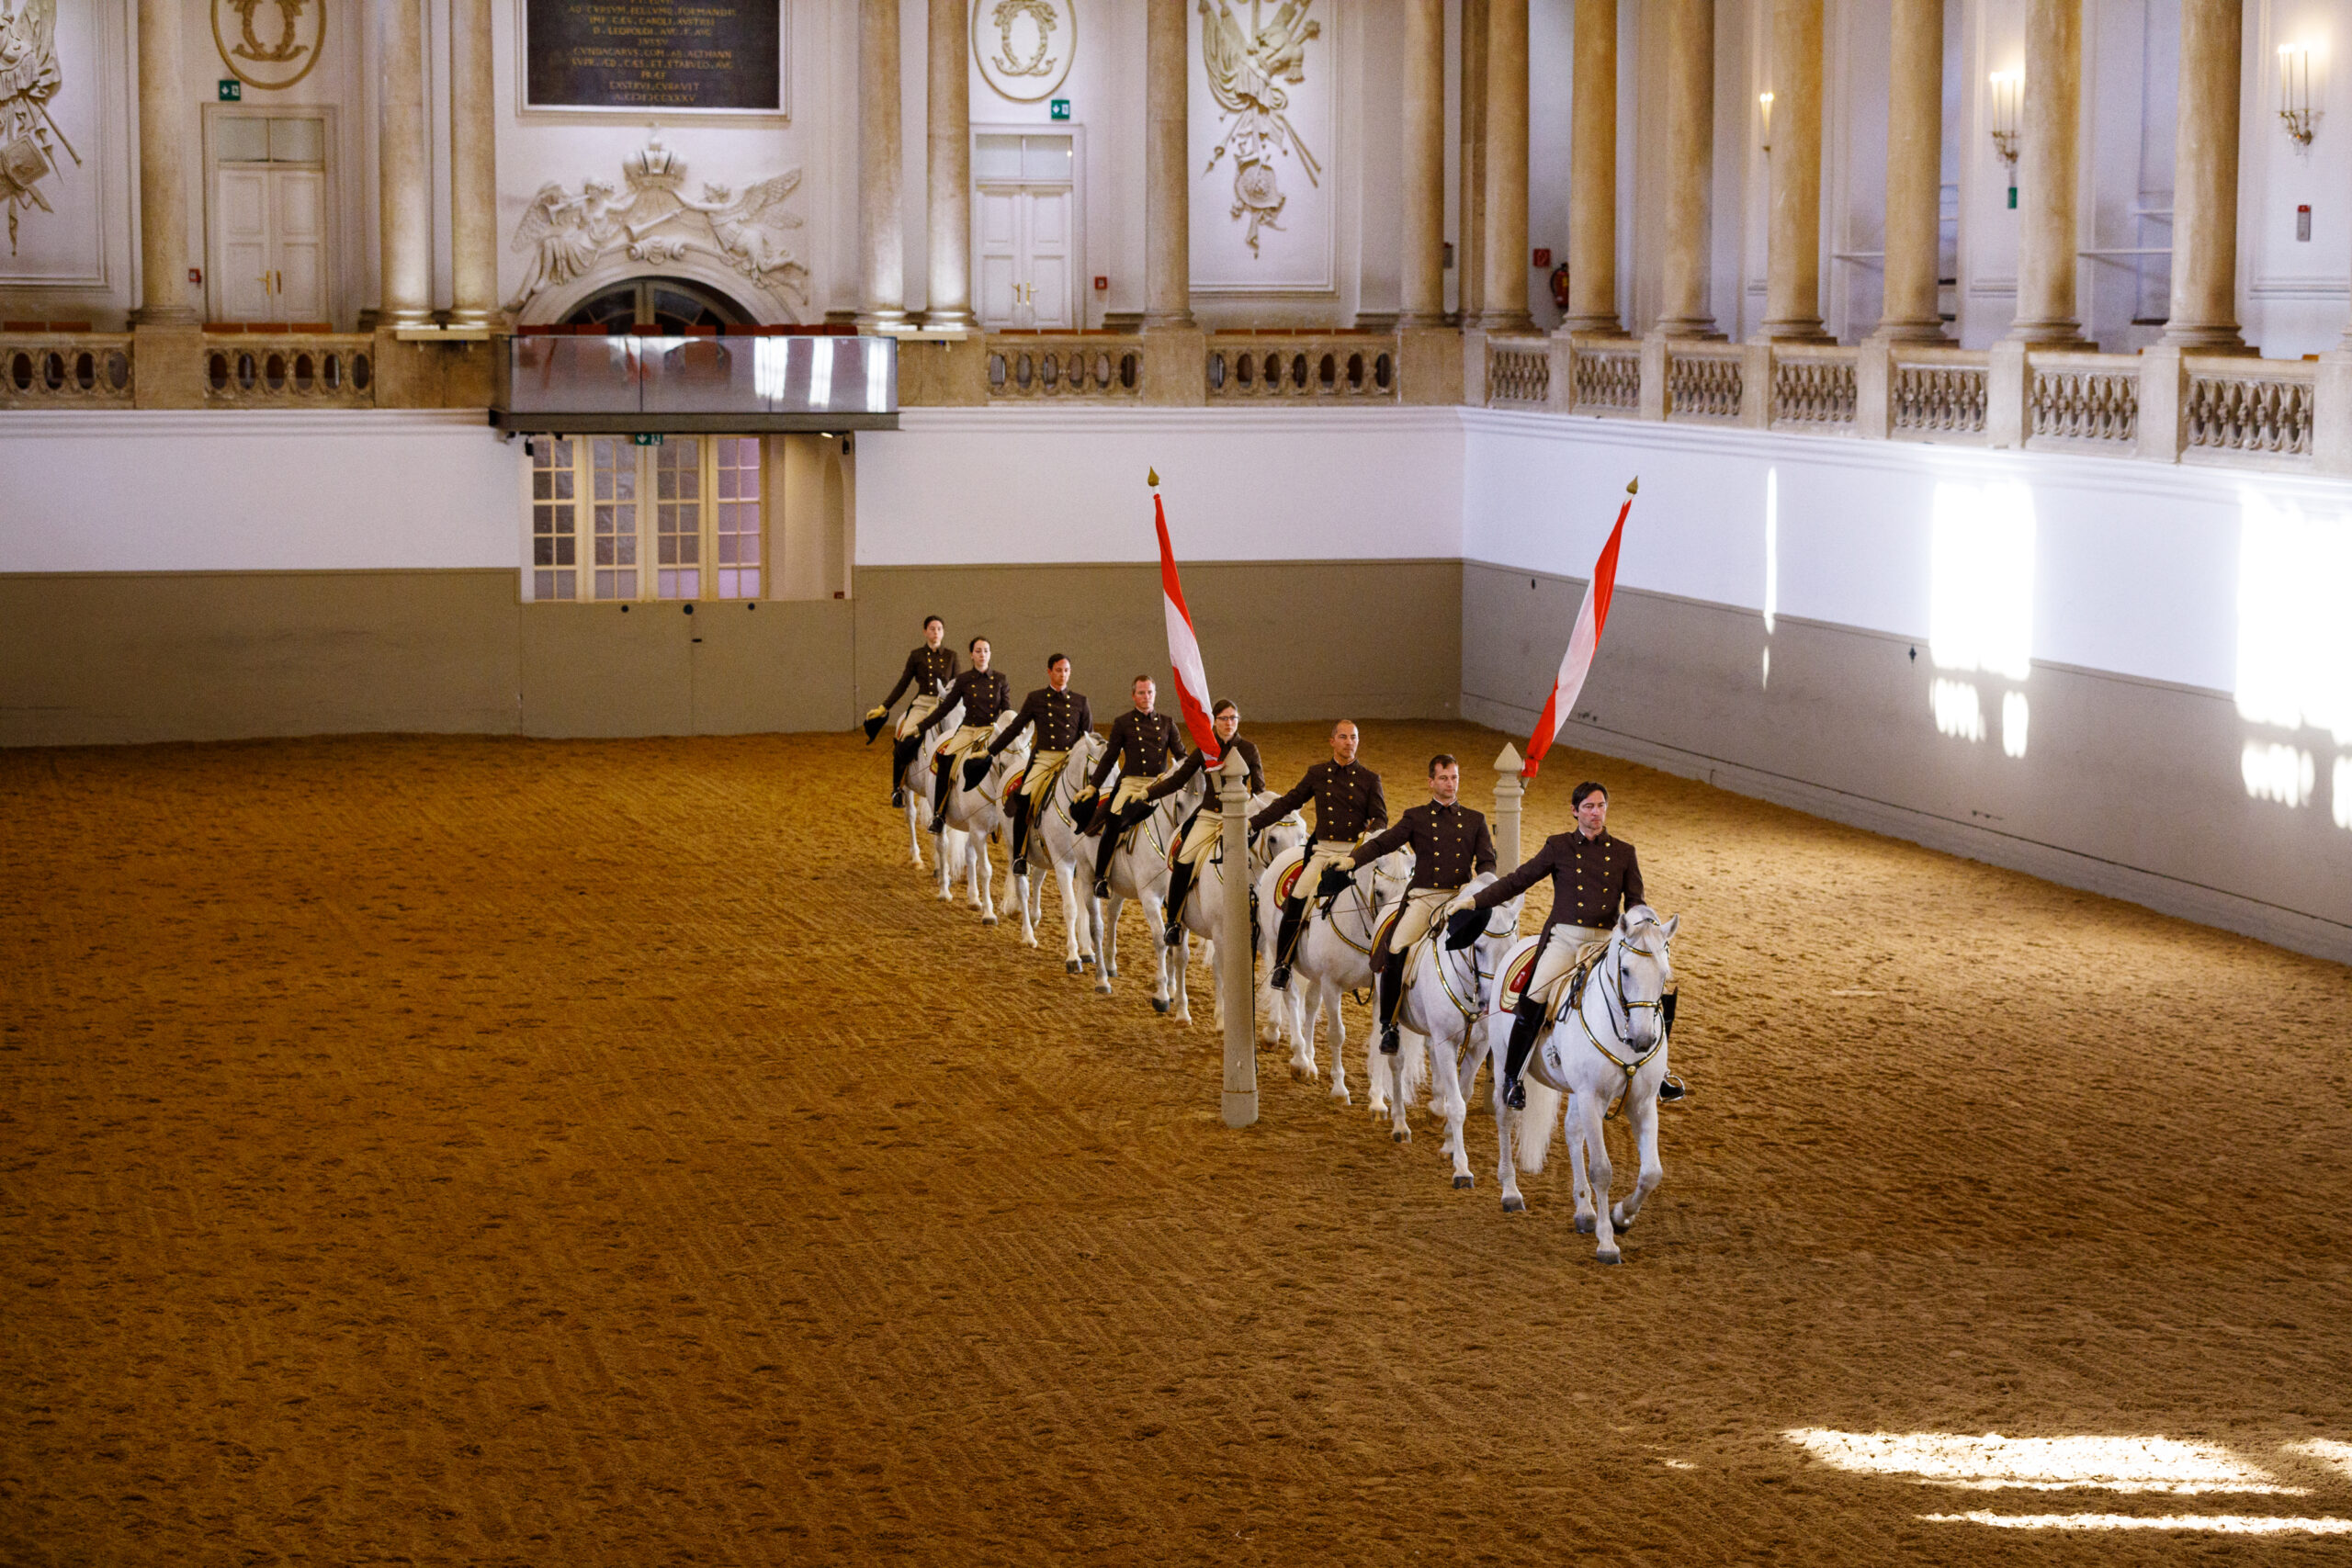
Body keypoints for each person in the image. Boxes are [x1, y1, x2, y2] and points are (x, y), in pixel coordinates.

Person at [1449, 780, 1645, 1109]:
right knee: (1535, 996)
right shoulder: (1558, 847)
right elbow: (1517, 881)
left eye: (1601, 806)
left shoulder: (1625, 853)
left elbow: (1636, 902)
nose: (1596, 813)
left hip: (1605, 943)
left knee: (1649, 990)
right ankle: (1513, 1079)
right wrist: (1475, 903)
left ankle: (1659, 1072)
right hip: (1565, 940)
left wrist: (1642, 926)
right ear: (1575, 811)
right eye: (1589, 807)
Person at [1322, 754, 1495, 1055]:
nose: (1450, 784)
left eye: (1454, 777)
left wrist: (1480, 883)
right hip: (1424, 899)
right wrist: (1353, 859)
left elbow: (1488, 860)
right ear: (1431, 782)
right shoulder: (1416, 817)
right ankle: (1389, 1024)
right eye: (1444, 778)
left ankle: (1490, 1016)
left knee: (1491, 945)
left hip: (1459, 899)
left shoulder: (1475, 819)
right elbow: (1383, 843)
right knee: (1396, 947)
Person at [1250, 720, 1387, 990]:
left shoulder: (1370, 779)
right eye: (1344, 737)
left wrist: (1368, 839)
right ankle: (1284, 963)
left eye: (1354, 737)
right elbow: (1288, 802)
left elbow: (1381, 818)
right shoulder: (1317, 774)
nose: (1349, 742)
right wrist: (1254, 822)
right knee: (1298, 897)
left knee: (1385, 897)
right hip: (1323, 852)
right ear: (1332, 741)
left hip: (1356, 855)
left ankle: (1388, 961)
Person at [1148, 699, 1263, 943]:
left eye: (1233, 718)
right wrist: (1148, 793)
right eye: (1224, 719)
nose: (1229, 723)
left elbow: (1259, 791)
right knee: (1184, 859)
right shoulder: (1204, 749)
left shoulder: (1249, 749)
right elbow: (1178, 780)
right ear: (1215, 721)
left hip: (1240, 818)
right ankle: (1174, 921)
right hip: (1210, 817)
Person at [1072, 676, 1188, 899]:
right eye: (1142, 693)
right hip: (1131, 783)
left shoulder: (1167, 722)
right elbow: (1109, 757)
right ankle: (1101, 877)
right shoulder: (1123, 723)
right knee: (1114, 820)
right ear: (1134, 696)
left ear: (1155, 694)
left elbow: (1182, 756)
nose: (1147, 697)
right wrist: (1093, 786)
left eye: (1150, 693)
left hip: (1160, 784)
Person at [978, 653, 1093, 874]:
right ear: (1049, 672)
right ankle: (1020, 855)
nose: (1063, 674)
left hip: (1069, 761)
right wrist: (989, 752)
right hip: (1044, 760)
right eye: (1059, 670)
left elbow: (1088, 738)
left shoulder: (1081, 701)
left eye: (1067, 670)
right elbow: (1014, 729)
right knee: (1026, 797)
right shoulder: (1036, 699)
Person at [917, 637, 1012, 833]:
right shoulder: (964, 680)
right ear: (971, 655)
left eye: (986, 650)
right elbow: (946, 708)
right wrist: (922, 726)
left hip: (991, 730)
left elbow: (1007, 711)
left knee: (1012, 761)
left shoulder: (1000, 679)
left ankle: (1012, 811)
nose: (982, 655)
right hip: (968, 730)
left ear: (990, 653)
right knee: (946, 760)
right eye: (978, 651)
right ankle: (939, 814)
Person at [868, 616, 957, 807]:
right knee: (904, 740)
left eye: (939, 629)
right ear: (925, 631)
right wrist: (884, 707)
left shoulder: (952, 656)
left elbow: (959, 685)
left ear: (943, 632)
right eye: (932, 629)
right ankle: (897, 788)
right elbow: (903, 683)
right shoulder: (916, 656)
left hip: (945, 707)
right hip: (923, 705)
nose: (936, 632)